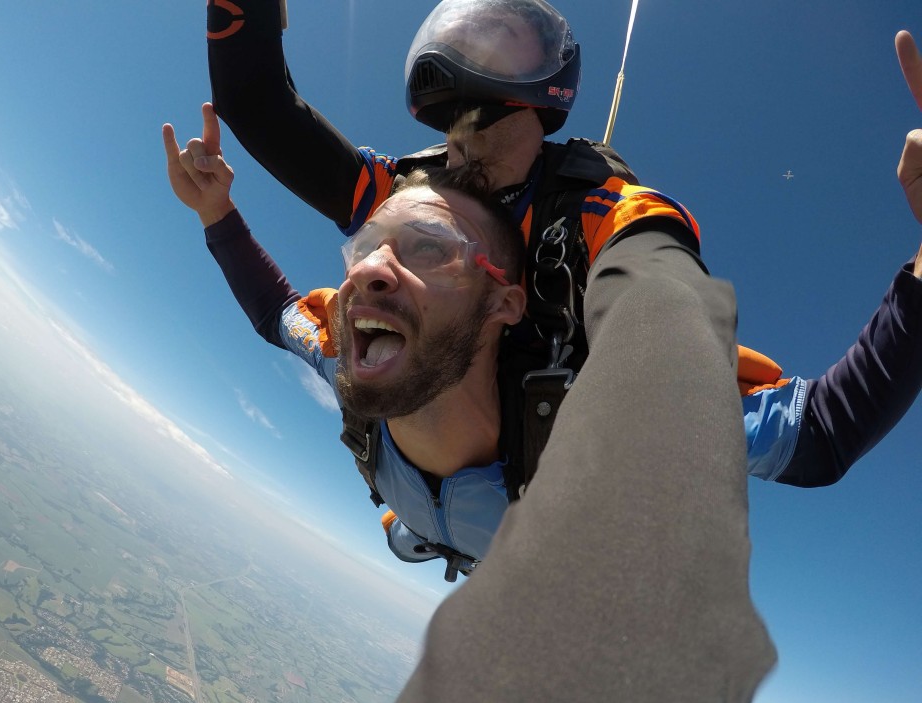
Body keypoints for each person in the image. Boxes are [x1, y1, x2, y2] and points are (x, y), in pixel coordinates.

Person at [164, 104, 776, 703]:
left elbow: (818, 430)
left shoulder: (600, 431)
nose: (372, 272)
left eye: (431, 251)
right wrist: (214, 213)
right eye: (370, 248)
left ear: (505, 303)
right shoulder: (355, 356)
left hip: (500, 536)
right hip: (437, 521)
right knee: (413, 537)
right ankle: (427, 535)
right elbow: (277, 313)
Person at [204, 0, 922, 511]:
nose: (461, 144)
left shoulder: (604, 217)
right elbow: (256, 105)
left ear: (543, 98)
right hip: (442, 510)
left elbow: (822, 434)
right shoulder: (413, 198)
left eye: (485, 105)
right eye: (452, 122)